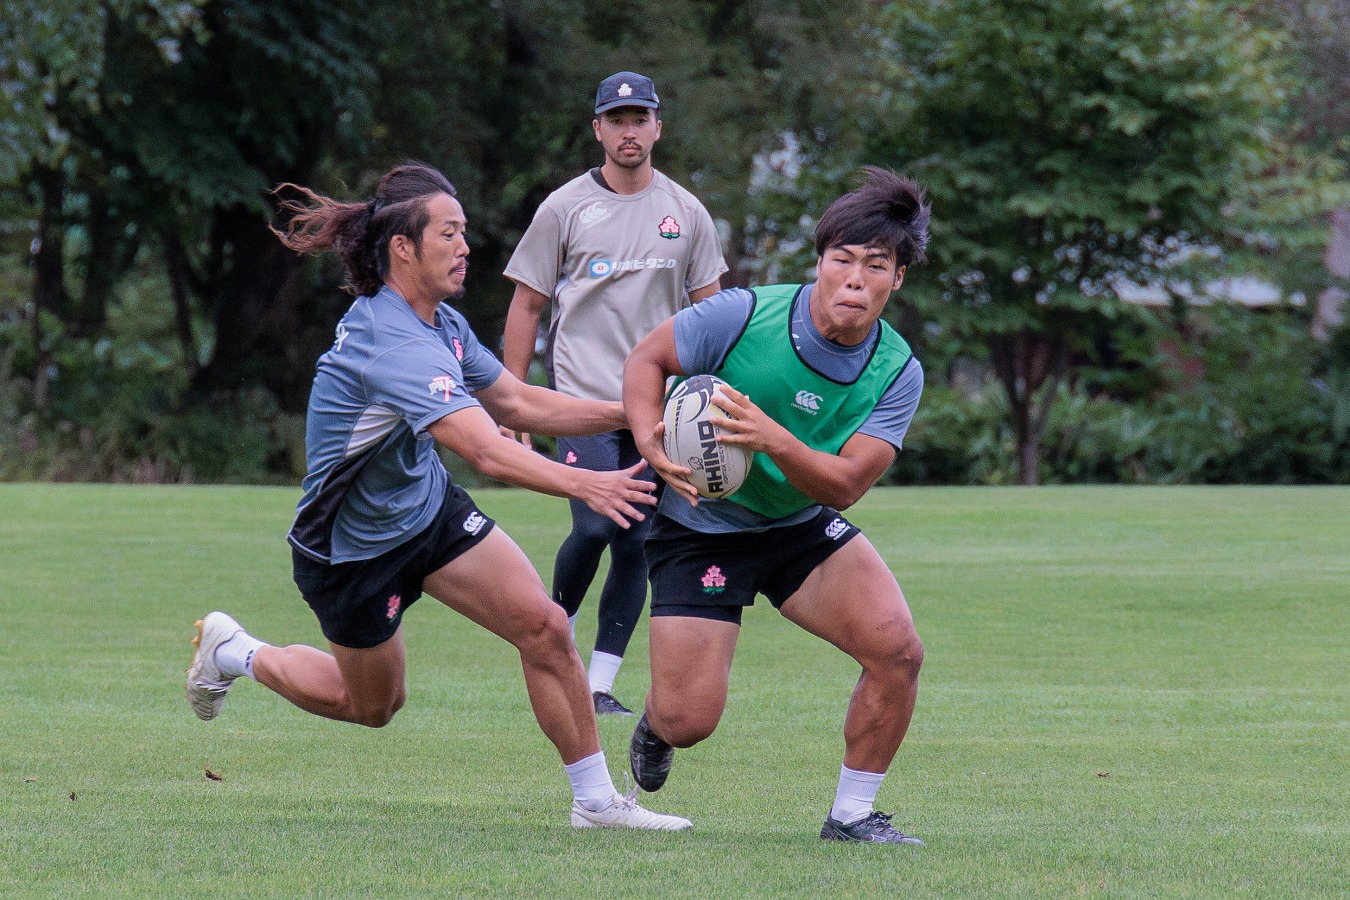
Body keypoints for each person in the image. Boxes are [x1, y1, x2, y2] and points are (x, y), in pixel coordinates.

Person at [184, 162, 692, 832]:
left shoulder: (440, 323)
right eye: (449, 234)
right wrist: (587, 481)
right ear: (403, 247)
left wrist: (637, 415)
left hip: (427, 511)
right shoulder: (389, 340)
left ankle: (596, 802)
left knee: (543, 627)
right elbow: (483, 449)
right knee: (371, 705)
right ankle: (235, 652)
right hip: (351, 549)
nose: (465, 247)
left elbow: (515, 400)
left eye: (463, 233)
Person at [621, 167, 931, 845]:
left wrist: (772, 439)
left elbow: (846, 485)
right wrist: (649, 435)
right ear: (818, 264)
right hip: (702, 527)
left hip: (800, 523)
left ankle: (851, 816)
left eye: (875, 265)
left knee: (898, 652)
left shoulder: (897, 371)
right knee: (689, 720)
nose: (854, 278)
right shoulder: (743, 315)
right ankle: (656, 721)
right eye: (841, 260)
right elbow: (647, 360)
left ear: (897, 279)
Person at [501, 71, 727, 716]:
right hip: (578, 403)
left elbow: (713, 314)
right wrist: (511, 401)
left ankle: (597, 683)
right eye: (616, 120)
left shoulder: (686, 213)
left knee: (636, 539)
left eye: (640, 118)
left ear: (658, 126)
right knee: (599, 523)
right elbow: (527, 305)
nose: (629, 131)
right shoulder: (564, 207)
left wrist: (714, 401)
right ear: (598, 129)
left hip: (656, 409)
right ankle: (552, 640)